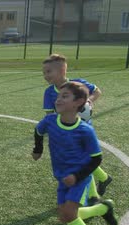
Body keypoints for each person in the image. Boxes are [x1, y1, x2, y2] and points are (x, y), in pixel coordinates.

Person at [32, 81, 119, 225]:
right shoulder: (50, 121)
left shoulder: (85, 131)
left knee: (69, 215)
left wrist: (77, 176)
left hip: (80, 178)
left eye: (65, 96)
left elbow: (96, 159)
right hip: (62, 178)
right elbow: (38, 132)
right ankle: (103, 209)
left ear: (79, 102)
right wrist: (37, 150)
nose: (58, 99)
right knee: (66, 216)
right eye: (59, 96)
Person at [42, 54, 112, 203]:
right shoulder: (49, 93)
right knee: (81, 162)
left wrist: (89, 100)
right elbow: (49, 115)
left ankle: (93, 195)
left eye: (49, 72)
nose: (45, 76)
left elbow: (97, 91)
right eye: (44, 72)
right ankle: (102, 181)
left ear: (62, 71)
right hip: (64, 134)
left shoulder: (78, 85)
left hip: (82, 131)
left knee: (83, 162)